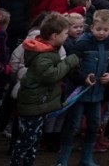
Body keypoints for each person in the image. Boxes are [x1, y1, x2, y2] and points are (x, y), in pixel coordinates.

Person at [13, 13, 82, 166]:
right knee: (27, 140)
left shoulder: (49, 50)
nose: (67, 36)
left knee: (33, 139)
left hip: (37, 103)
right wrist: (70, 61)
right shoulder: (44, 55)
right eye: (65, 33)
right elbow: (50, 75)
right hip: (33, 105)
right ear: (54, 35)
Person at [57, 9, 109, 166]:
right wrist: (83, 78)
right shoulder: (82, 44)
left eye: (105, 30)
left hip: (97, 94)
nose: (102, 33)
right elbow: (71, 68)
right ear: (91, 27)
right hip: (79, 93)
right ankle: (62, 160)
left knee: (94, 125)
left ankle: (86, 158)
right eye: (98, 29)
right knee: (73, 125)